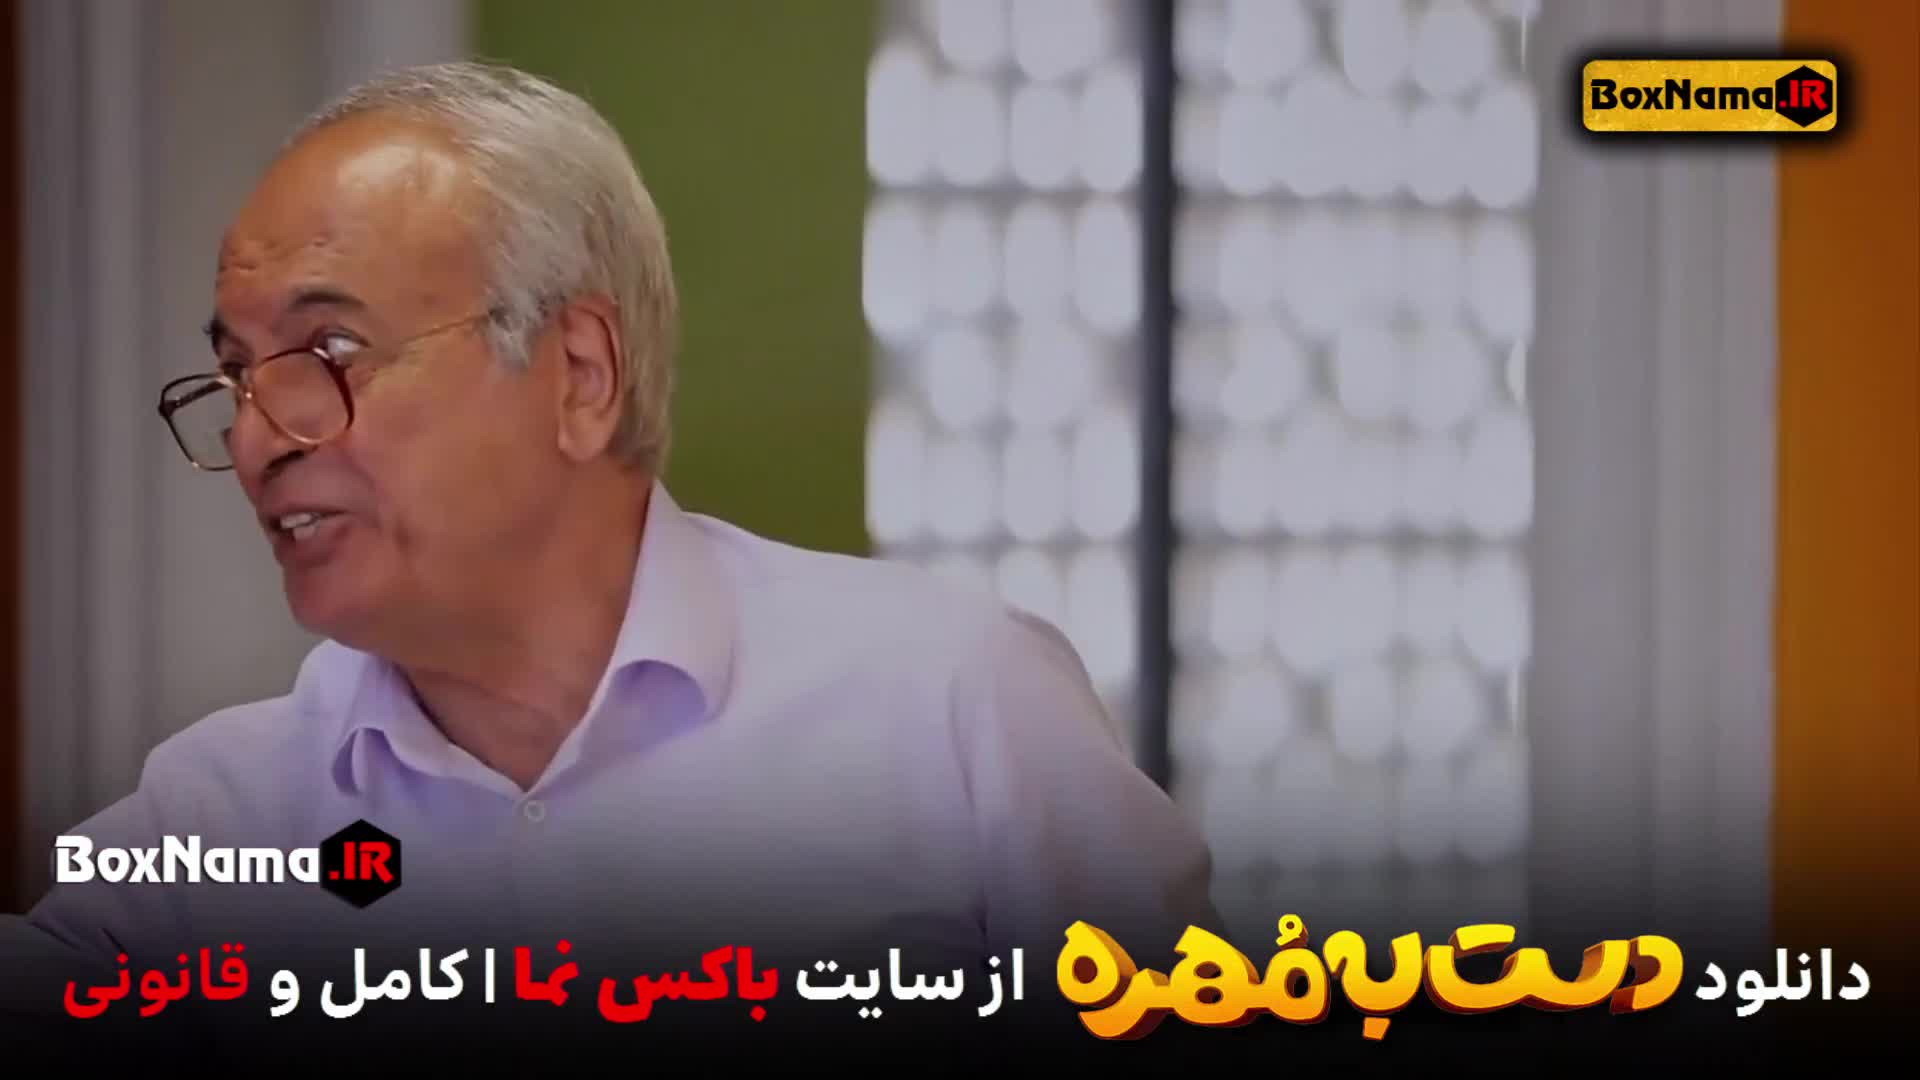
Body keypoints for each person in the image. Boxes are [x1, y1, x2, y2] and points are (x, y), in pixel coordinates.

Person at [11, 62, 1217, 1051]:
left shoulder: (952, 707)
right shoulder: (220, 822)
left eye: (329, 352)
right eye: (235, 375)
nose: (259, 436)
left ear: (580, 374)